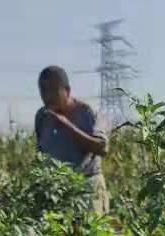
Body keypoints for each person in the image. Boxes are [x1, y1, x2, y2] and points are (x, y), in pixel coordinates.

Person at [35, 65, 110, 215]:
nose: (47, 96)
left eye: (52, 90)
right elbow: (41, 154)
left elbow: (102, 148)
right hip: (57, 193)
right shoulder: (42, 117)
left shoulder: (88, 113)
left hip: (88, 190)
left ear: (67, 90)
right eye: (43, 90)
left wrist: (68, 126)